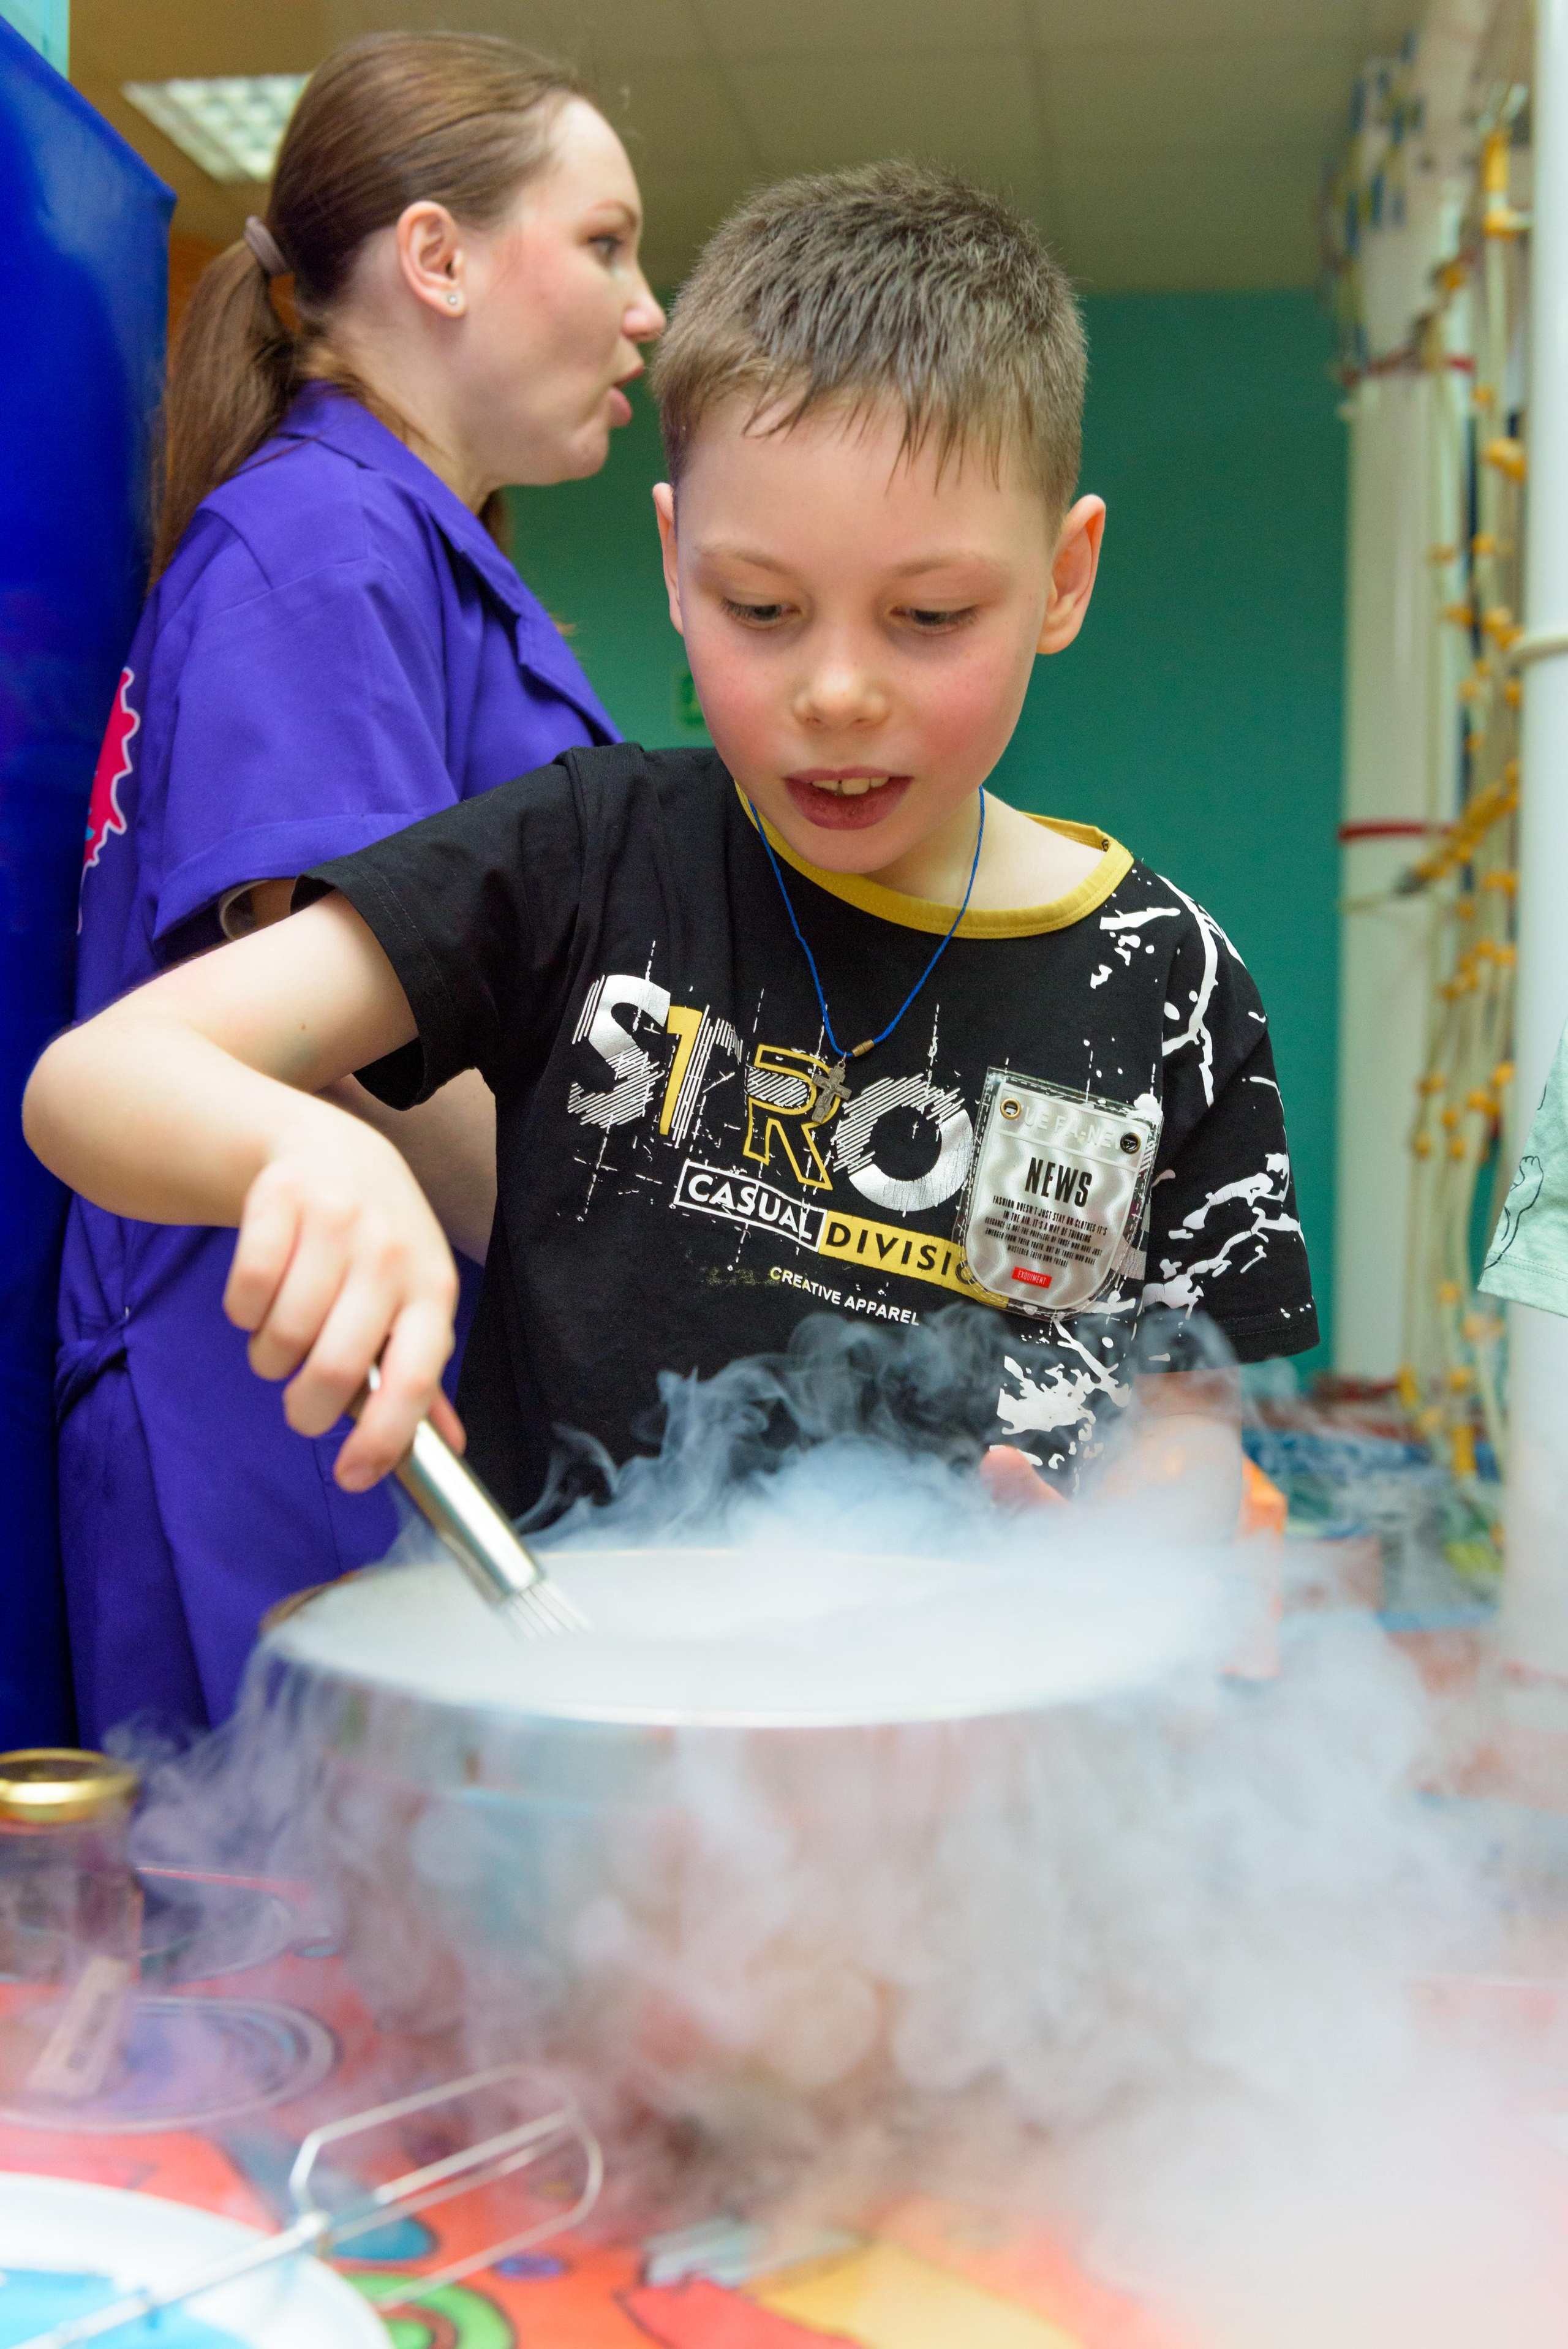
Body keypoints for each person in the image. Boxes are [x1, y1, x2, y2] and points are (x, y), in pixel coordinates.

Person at [29, 161, 1317, 1569]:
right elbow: (94, 1081)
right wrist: (305, 1146)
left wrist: (1139, 1550)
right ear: (671, 559)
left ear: (1062, 579)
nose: (835, 691)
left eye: (928, 615)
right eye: (758, 607)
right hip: (583, 1756)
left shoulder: (1167, 988)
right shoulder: (586, 854)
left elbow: (1192, 1424)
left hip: (983, 1769)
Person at [59, 31, 663, 1738]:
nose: (648, 308)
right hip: (275, 1404)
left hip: (367, 1388)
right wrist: (638, 1260)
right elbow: (334, 1033)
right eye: (606, 242)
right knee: (279, 1970)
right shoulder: (321, 540)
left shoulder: (419, 554)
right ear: (439, 256)